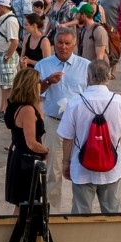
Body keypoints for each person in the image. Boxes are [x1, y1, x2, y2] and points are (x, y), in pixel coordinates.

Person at [56, 60, 121, 215]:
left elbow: (67, 138)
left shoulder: (76, 103)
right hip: (111, 166)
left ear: (88, 77)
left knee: (80, 213)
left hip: (82, 166)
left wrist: (66, 162)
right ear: (109, 76)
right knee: (111, 213)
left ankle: (82, 239)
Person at [34, 28, 89, 211]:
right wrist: (48, 81)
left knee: (80, 170)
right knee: (53, 171)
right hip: (55, 123)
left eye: (67, 43)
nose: (63, 47)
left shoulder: (86, 66)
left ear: (74, 45)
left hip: (80, 126)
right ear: (54, 44)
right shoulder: (43, 65)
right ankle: (51, 214)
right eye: (59, 43)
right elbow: (33, 94)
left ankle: (79, 213)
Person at [4, 69, 49, 208]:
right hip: (26, 161)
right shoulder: (27, 110)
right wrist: (46, 150)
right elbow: (32, 143)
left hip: (18, 157)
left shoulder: (13, 105)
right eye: (38, 82)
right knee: (28, 204)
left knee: (21, 206)